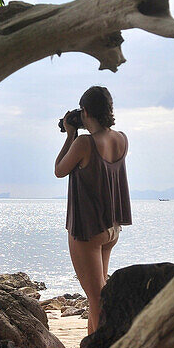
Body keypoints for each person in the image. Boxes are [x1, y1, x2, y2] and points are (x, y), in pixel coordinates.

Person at [54, 86, 132, 334]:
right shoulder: (121, 139)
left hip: (87, 230)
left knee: (96, 299)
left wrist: (69, 135)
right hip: (111, 229)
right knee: (100, 295)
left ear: (85, 111)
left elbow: (59, 169)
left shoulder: (83, 143)